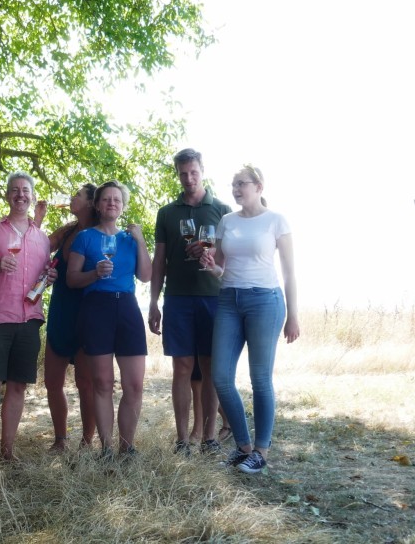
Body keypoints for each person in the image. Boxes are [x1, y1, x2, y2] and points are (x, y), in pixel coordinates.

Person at [201, 165, 300, 474]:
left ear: (259, 186)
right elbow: (221, 269)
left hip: (265, 301)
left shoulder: (276, 221)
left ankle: (262, 451)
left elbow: (289, 272)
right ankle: (244, 447)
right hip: (229, 299)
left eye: (241, 183)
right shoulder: (226, 222)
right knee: (220, 377)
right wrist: (210, 266)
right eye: (233, 184)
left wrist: (293, 315)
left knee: (260, 379)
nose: (236, 188)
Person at [0, 171, 56, 472]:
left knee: (18, 387)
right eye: (15, 190)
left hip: (29, 320)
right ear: (7, 195)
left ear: (32, 196)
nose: (20, 195)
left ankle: (7, 451)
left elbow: (39, 280)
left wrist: (48, 279)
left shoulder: (43, 238)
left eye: (25, 190)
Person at [148, 149, 232, 456]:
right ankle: (182, 440)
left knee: (210, 368)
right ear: (178, 174)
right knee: (181, 367)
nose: (189, 178)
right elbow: (159, 261)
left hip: (213, 298)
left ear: (202, 171)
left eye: (193, 172)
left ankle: (209, 438)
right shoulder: (167, 213)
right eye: (183, 173)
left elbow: (230, 259)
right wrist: (153, 302)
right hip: (178, 298)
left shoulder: (223, 210)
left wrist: (210, 258)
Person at [67, 180, 152, 458]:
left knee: (135, 385)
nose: (111, 203)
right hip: (96, 309)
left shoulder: (130, 239)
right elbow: (71, 279)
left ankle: (127, 448)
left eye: (117, 200)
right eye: (106, 199)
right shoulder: (85, 238)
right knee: (102, 383)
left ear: (123, 206)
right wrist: (94, 274)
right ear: (97, 204)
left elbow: (146, 275)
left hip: (127, 308)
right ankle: (106, 449)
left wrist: (140, 241)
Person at [43, 185, 98, 452]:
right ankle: (60, 439)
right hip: (61, 310)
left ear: (90, 202)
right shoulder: (66, 231)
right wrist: (39, 218)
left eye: (77, 195)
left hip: (88, 312)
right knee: (52, 381)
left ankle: (87, 441)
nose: (71, 198)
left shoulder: (101, 232)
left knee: (85, 382)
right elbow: (38, 245)